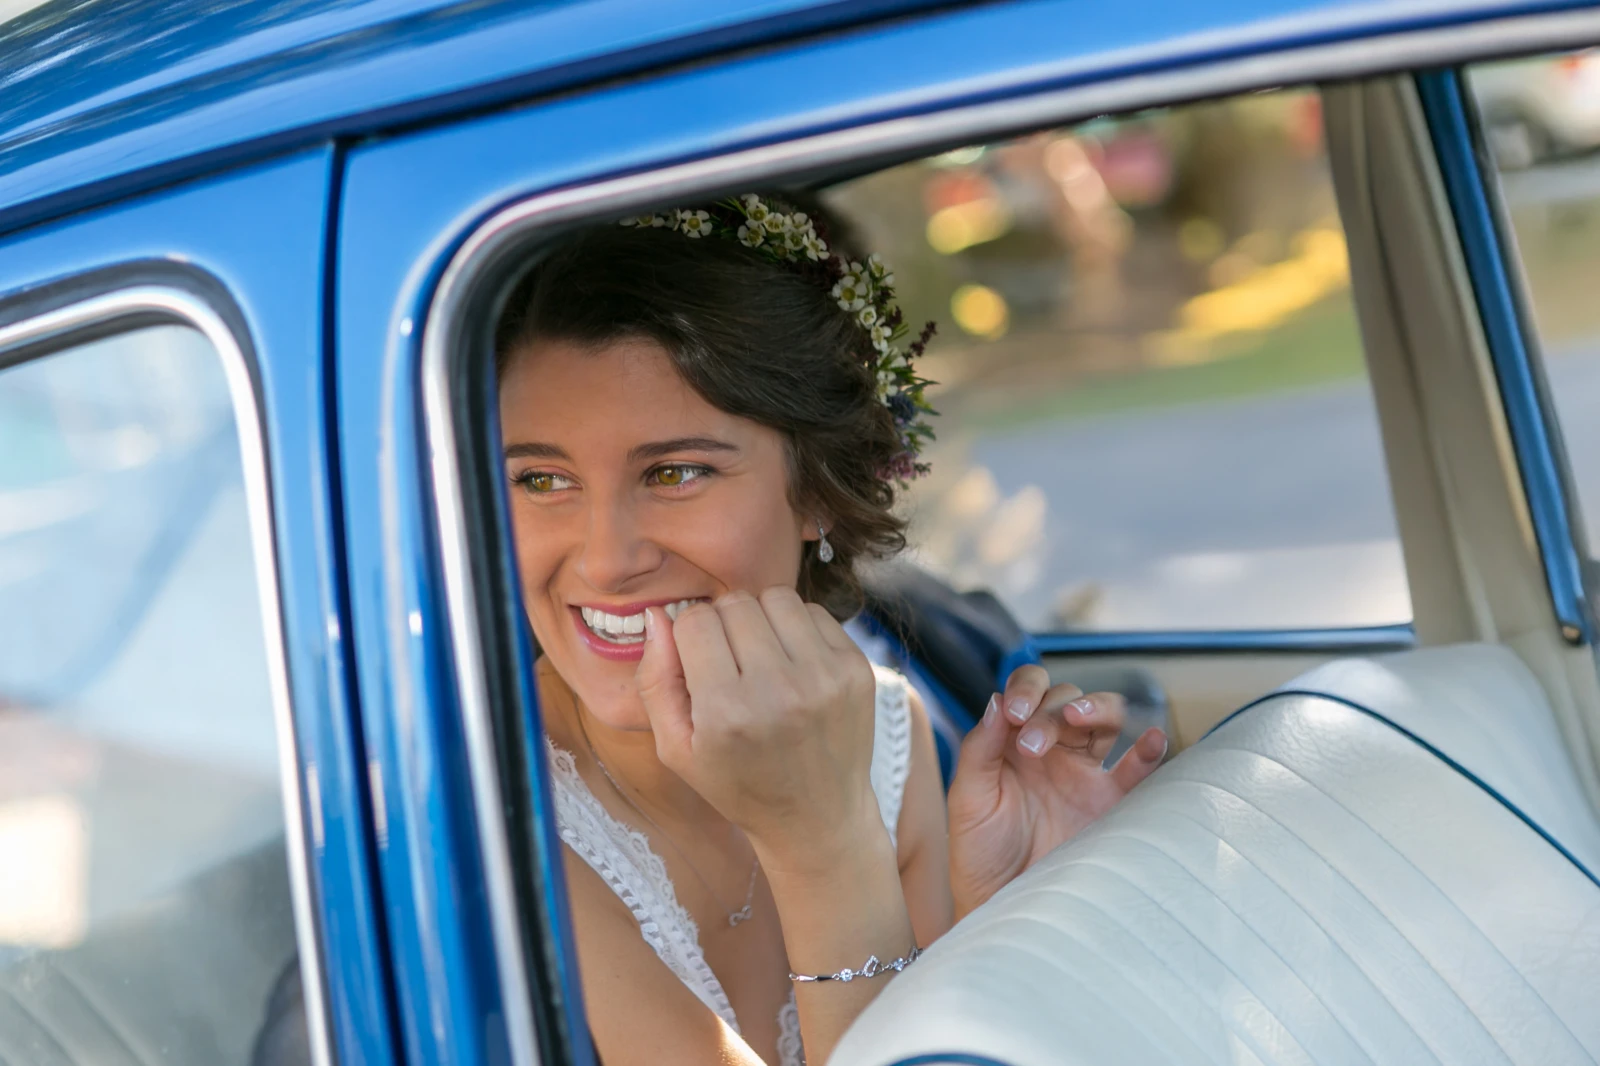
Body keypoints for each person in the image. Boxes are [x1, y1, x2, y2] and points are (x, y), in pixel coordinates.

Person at [495, 194, 1169, 1066]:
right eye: (542, 481)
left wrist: (1013, 915)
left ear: (815, 491)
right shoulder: (503, 823)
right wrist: (822, 849)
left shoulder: (888, 729)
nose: (606, 559)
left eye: (675, 472)